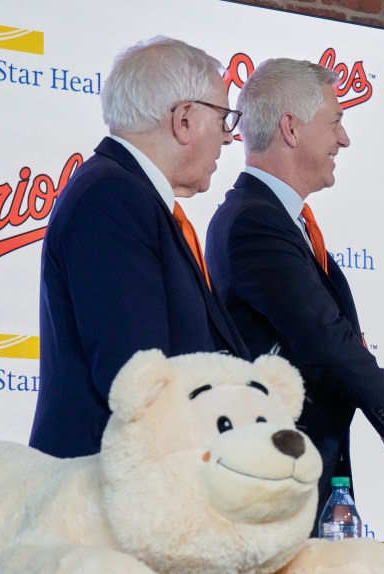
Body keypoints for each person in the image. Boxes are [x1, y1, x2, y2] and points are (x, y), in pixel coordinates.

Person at [205, 58, 384, 533]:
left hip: (303, 480)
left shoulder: (279, 221)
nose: (343, 140)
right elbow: (322, 333)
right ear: (291, 128)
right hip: (277, 484)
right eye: (337, 121)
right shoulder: (254, 221)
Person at [30, 36, 249, 459]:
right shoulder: (112, 196)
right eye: (224, 119)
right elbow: (136, 375)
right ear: (184, 118)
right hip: (106, 496)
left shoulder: (130, 195)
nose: (227, 138)